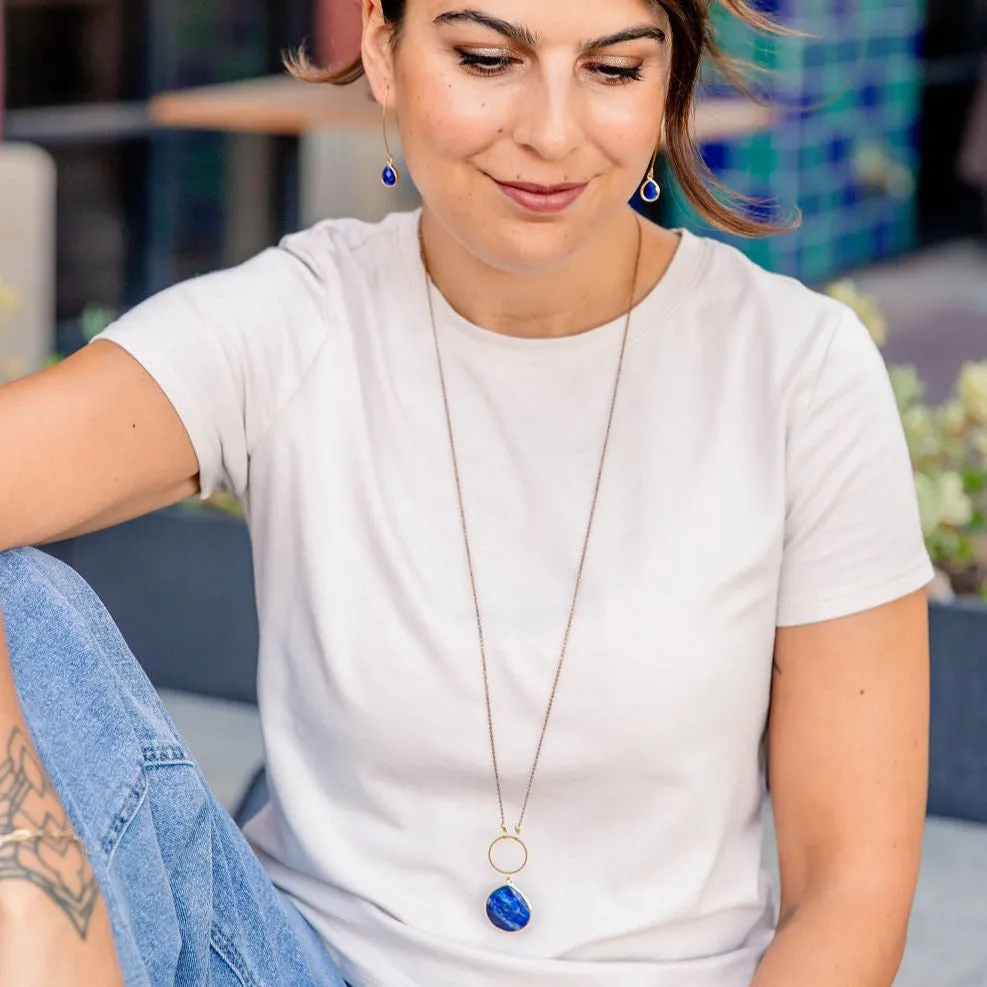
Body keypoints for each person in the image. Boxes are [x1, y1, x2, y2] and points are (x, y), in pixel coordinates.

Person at [0, 1, 933, 985]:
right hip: (293, 965)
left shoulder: (796, 373)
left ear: (669, 86)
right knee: (25, 609)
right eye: (488, 59)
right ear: (381, 45)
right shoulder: (296, 321)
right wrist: (29, 887)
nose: (551, 131)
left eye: (614, 70)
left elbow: (851, 889)